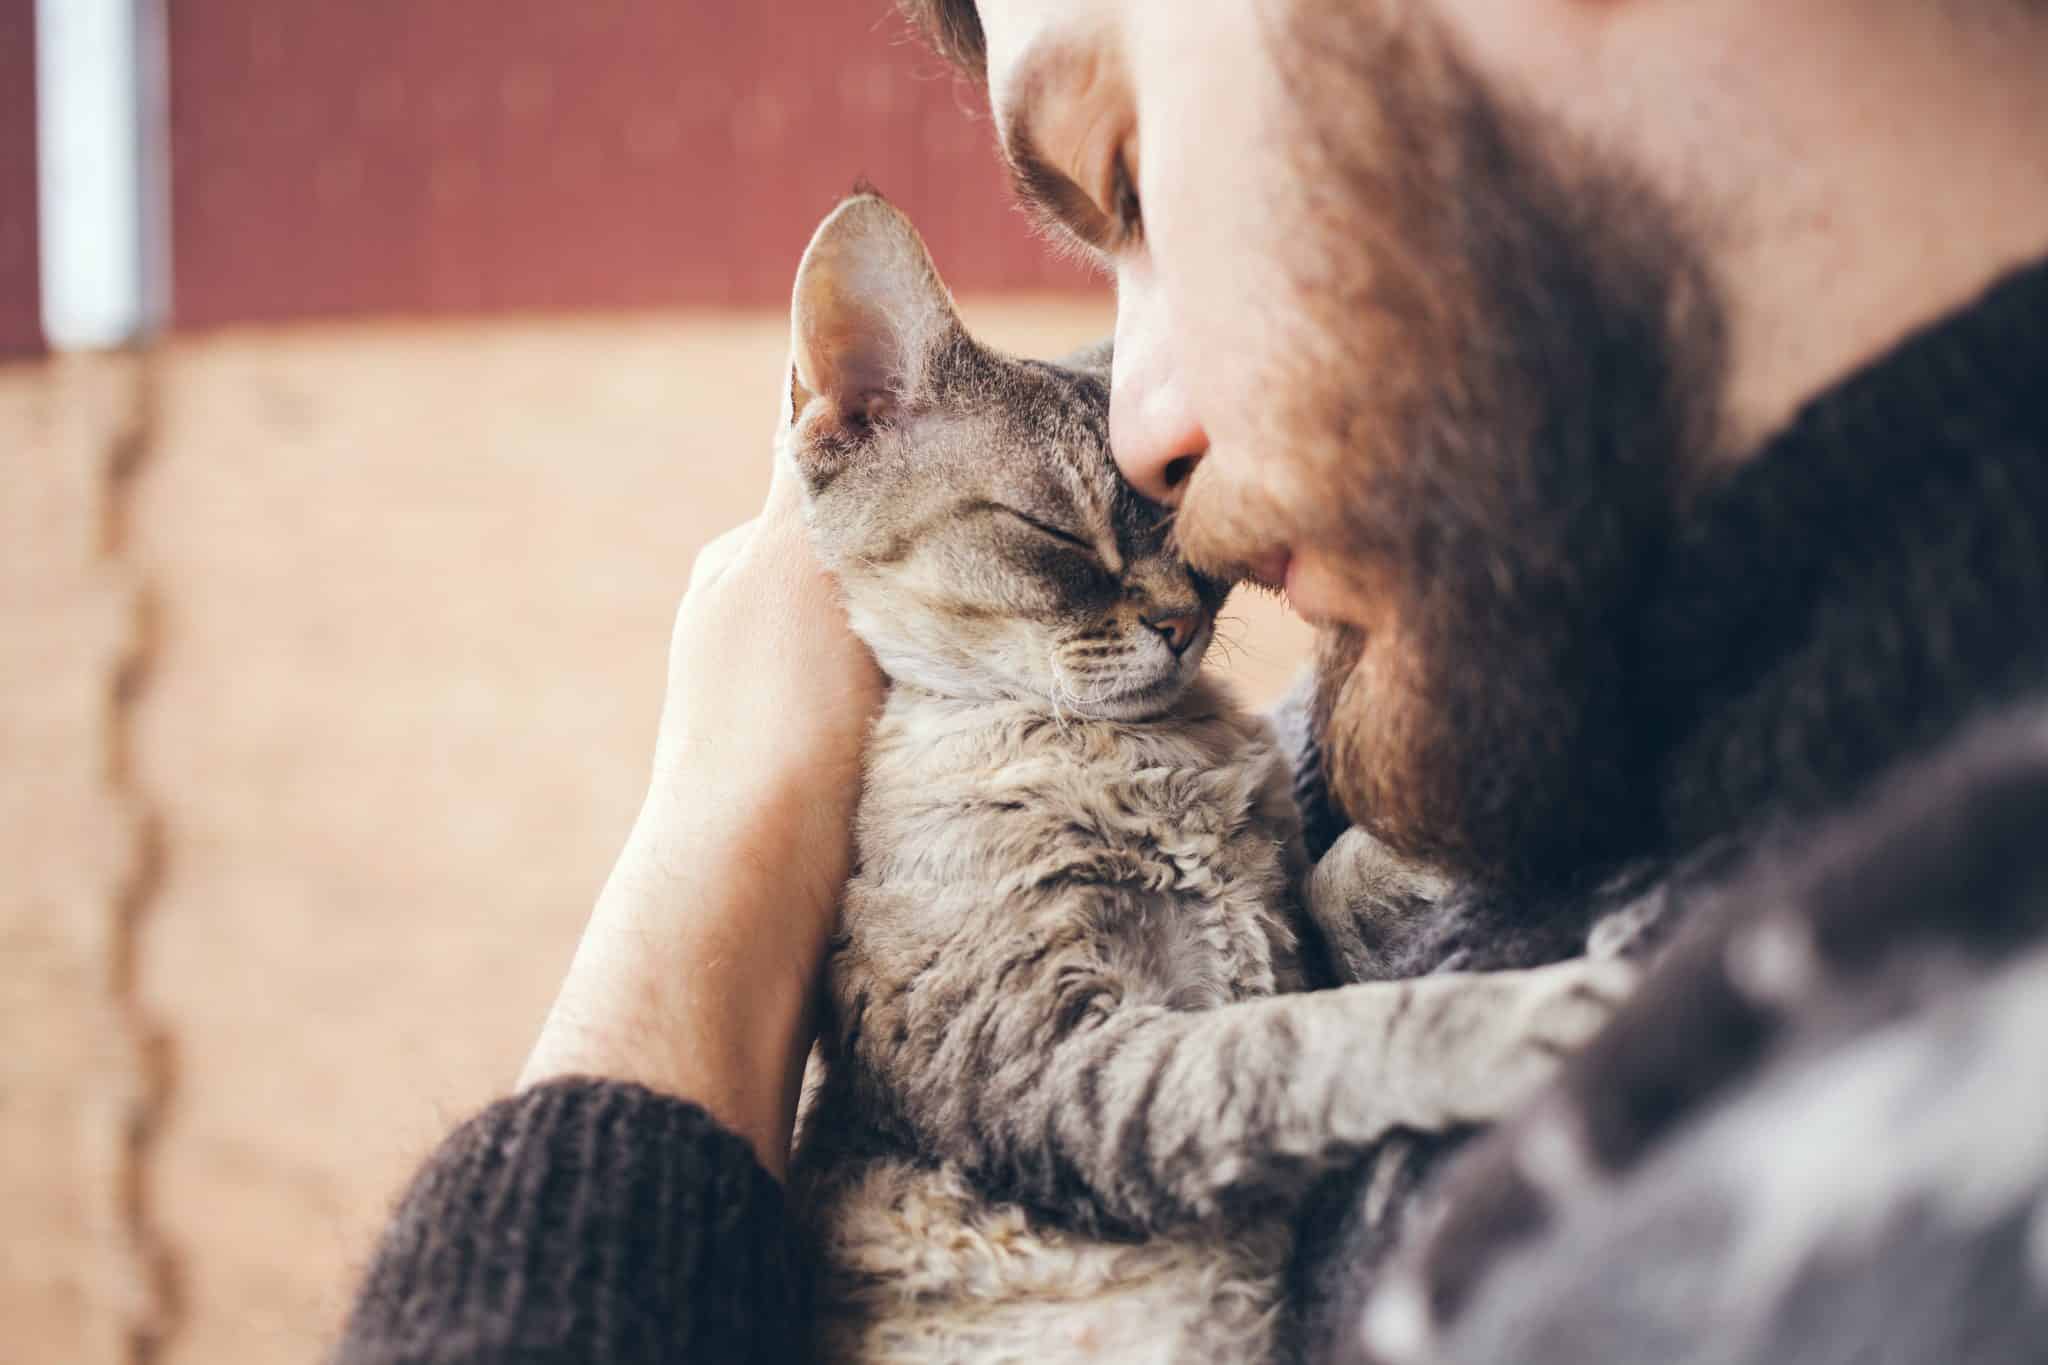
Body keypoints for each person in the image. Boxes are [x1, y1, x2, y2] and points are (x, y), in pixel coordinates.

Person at [333, 1, 2048, 1361]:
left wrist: (695, 906)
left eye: (1133, 181)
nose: (1151, 432)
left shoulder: (1896, 1155)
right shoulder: (1538, 712)